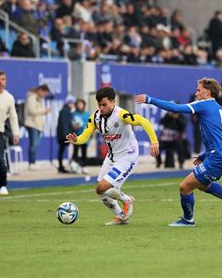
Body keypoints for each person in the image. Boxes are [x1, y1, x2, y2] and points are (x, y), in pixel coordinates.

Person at [136, 78, 222, 227]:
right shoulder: (220, 108)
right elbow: (220, 134)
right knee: (202, 184)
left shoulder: (203, 104)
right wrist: (205, 155)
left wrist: (150, 99)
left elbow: (176, 108)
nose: (196, 93)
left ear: (207, 92)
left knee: (185, 187)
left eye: (198, 90)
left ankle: (188, 220)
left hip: (217, 157)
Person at [66, 87, 159, 226]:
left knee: (104, 187)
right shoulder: (95, 118)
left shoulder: (122, 114)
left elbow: (143, 121)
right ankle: (121, 216)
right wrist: (77, 140)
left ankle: (126, 200)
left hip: (127, 156)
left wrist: (154, 141)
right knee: (100, 190)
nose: (101, 108)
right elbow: (85, 135)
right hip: (112, 157)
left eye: (105, 104)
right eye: (99, 105)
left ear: (113, 102)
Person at [24, 84, 50, 170]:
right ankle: (31, 163)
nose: (44, 95)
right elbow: (32, 110)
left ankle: (33, 162)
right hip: (32, 124)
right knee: (33, 145)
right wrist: (44, 110)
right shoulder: (32, 97)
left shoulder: (39, 99)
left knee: (35, 144)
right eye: (44, 93)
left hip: (38, 125)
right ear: (40, 90)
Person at [57, 95, 76, 173]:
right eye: (72, 103)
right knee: (62, 150)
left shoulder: (66, 111)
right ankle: (62, 167)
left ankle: (62, 166)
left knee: (61, 150)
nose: (73, 105)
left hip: (64, 134)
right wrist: (67, 136)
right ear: (69, 103)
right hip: (64, 135)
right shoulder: (65, 111)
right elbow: (64, 124)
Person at [72, 99, 91, 172]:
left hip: (85, 136)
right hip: (76, 136)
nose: (80, 106)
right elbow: (71, 124)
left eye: (81, 104)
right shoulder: (74, 114)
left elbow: (90, 124)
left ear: (84, 105)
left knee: (84, 152)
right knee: (75, 152)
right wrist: (73, 127)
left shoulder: (87, 114)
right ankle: (74, 167)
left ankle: (84, 166)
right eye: (78, 104)